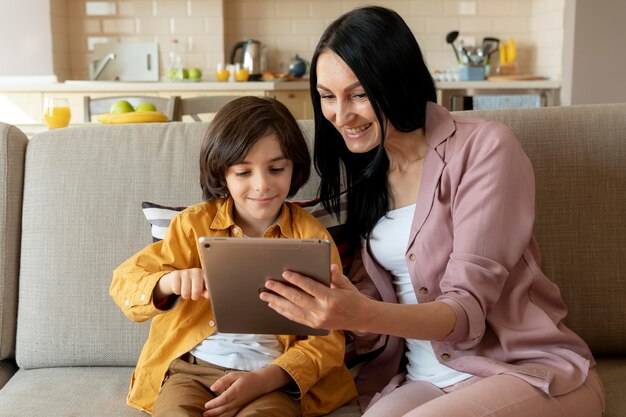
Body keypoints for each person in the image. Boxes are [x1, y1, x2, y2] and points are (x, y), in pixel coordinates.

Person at [259, 6, 605, 417]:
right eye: (327, 97)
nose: (340, 115)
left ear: (397, 82)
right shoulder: (367, 172)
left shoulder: (484, 148)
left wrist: (363, 311)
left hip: (523, 371)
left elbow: (466, 310)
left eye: (359, 94)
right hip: (424, 379)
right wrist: (342, 311)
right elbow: (373, 315)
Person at [110, 96, 356, 417]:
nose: (262, 185)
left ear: (294, 167)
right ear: (222, 174)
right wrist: (168, 282)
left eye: (276, 168)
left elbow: (329, 335)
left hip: (271, 379)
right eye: (243, 172)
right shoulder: (192, 226)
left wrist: (269, 378)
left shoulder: (311, 237)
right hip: (191, 373)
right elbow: (125, 282)